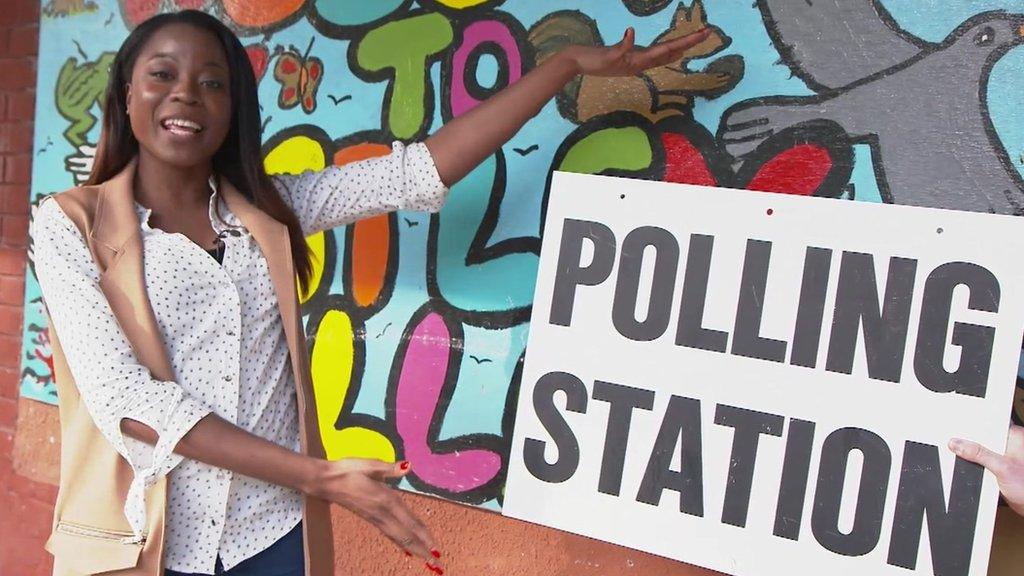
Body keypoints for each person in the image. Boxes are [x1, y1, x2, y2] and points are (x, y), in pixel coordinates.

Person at [29, 9, 715, 576]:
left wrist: (563, 69)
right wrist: (319, 476)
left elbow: (421, 171)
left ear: (233, 109)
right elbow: (130, 402)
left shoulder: (271, 213)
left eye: (213, 83)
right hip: (145, 543)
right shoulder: (70, 226)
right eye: (162, 74)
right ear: (125, 93)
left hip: (268, 538)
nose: (186, 93)